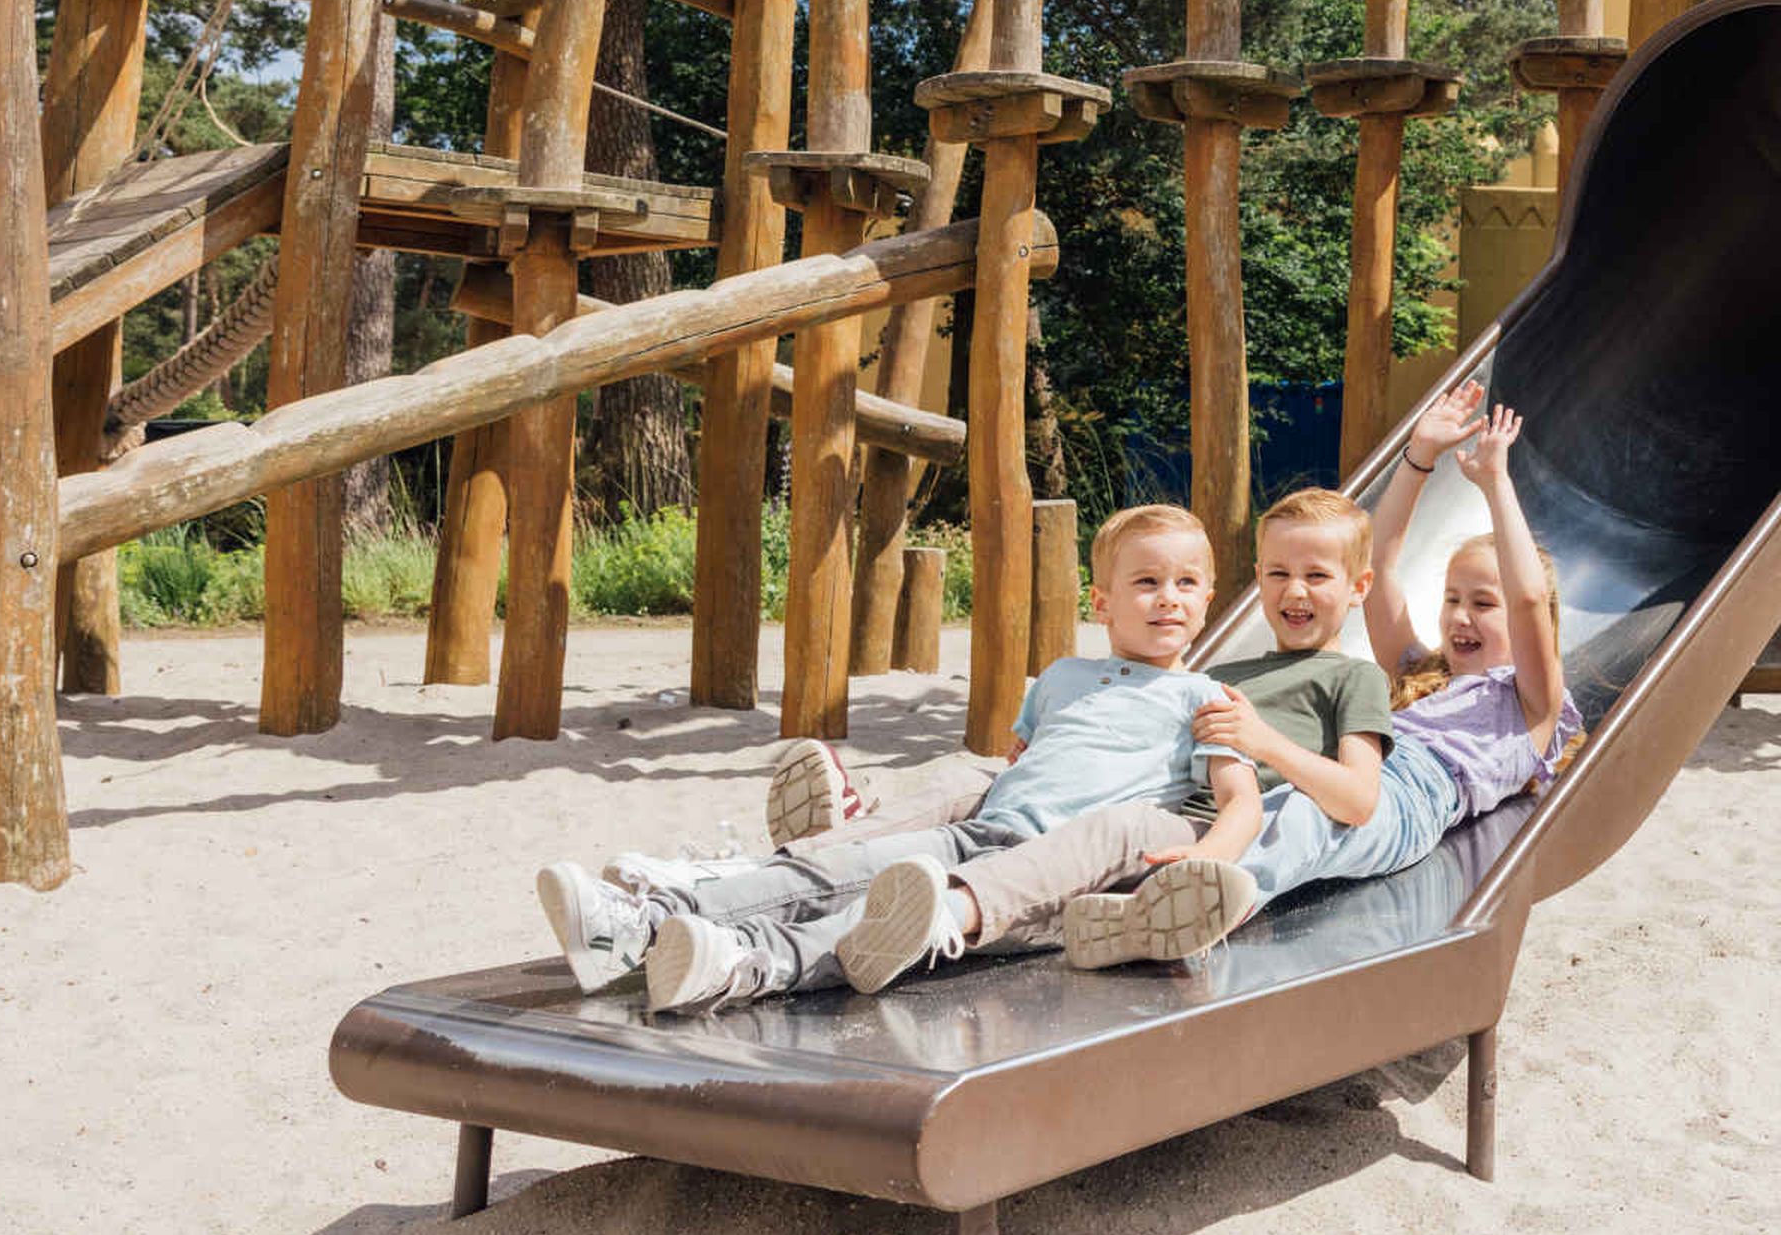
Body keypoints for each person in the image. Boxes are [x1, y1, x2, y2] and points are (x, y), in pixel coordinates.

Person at [533, 503, 1258, 1015]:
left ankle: (747, 962)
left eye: (1186, 584)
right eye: (1147, 583)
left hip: (1045, 877)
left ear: (1208, 600)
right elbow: (1023, 760)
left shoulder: (1207, 696)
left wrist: (1204, 863)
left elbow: (1240, 800)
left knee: (891, 917)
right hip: (982, 831)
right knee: (842, 872)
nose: (1169, 599)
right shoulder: (1061, 677)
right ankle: (644, 923)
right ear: (1101, 602)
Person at [1061, 380, 1574, 970]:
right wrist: (1419, 455)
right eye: (1452, 598)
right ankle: (1152, 895)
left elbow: (1527, 598)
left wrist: (1495, 482)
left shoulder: (1532, 705)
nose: (1460, 616)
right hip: (1352, 773)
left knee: (1306, 819)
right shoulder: (1419, 670)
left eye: (1483, 604)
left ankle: (1206, 909)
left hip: (1412, 801)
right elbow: (1379, 565)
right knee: (1270, 807)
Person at [822, 487, 1397, 994]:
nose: (1294, 590)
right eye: (1277, 574)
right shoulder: (1221, 672)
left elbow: (1358, 800)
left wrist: (1264, 742)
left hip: (1188, 825)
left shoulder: (1354, 677)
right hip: (1130, 790)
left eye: (1316, 576)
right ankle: (848, 832)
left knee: (1094, 832)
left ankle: (1005, 908)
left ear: (1359, 587)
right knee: (971, 777)